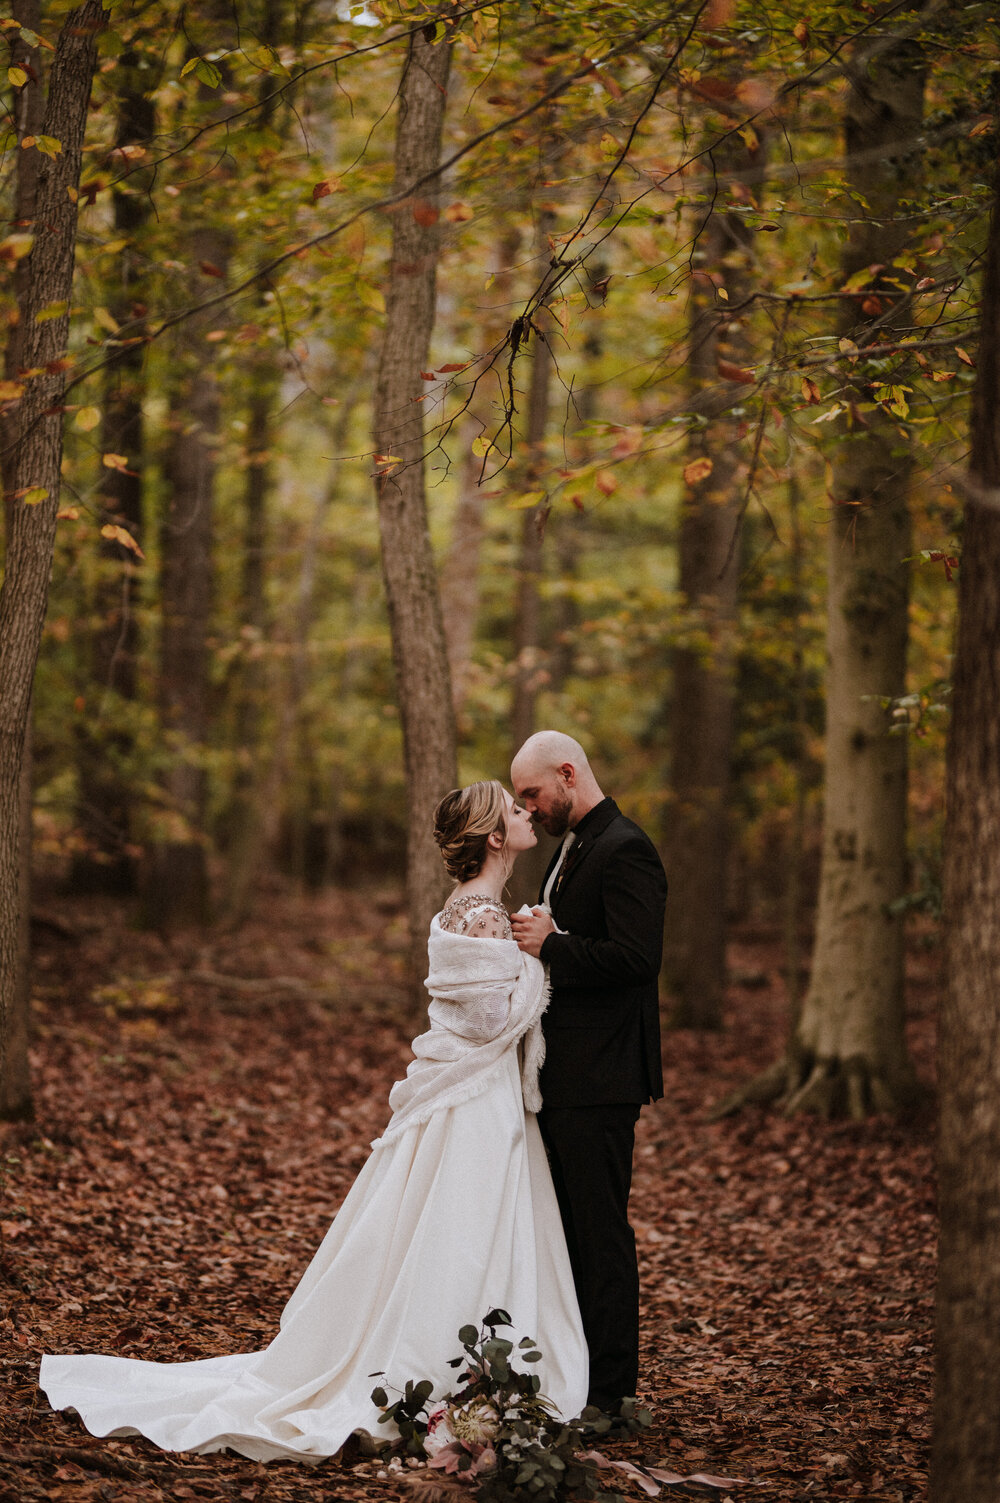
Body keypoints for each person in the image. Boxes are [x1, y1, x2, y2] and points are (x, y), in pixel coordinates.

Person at [39, 781, 588, 1462]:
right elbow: (490, 1021)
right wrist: (542, 960)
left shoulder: (478, 908)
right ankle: (449, 1366)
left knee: (452, 1228)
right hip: (472, 1101)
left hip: (472, 1093)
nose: (524, 812)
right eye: (512, 807)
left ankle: (470, 1360)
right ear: (495, 837)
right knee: (461, 1227)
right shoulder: (484, 916)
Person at [509, 731, 667, 1414]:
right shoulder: (572, 848)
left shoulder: (626, 847)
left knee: (600, 1236)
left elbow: (637, 958)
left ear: (567, 774)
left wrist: (555, 944)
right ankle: (576, 1380)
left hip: (601, 1080)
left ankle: (610, 1393)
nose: (530, 808)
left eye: (532, 794)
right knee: (568, 1233)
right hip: (563, 1075)